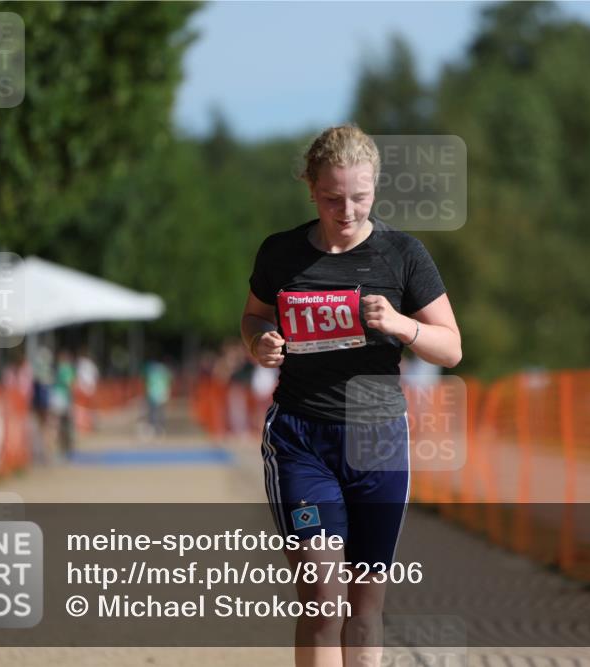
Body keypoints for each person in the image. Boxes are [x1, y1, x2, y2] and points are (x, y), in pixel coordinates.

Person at [240, 125, 461, 667]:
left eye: (360, 197)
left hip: (378, 440)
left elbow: (451, 348)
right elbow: (253, 316)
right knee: (322, 599)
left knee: (365, 608)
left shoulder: (402, 254)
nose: (347, 211)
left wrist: (402, 325)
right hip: (301, 439)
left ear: (376, 187)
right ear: (311, 189)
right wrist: (259, 341)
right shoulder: (281, 253)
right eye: (333, 198)